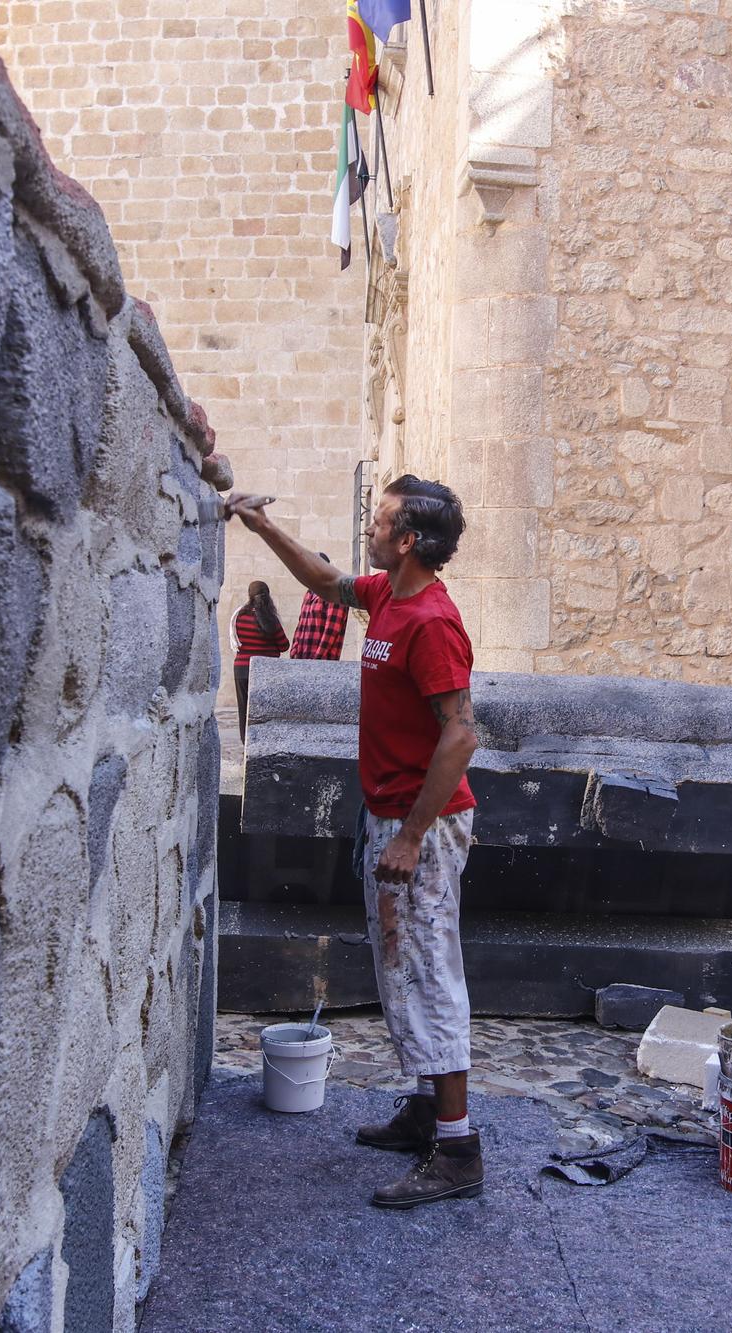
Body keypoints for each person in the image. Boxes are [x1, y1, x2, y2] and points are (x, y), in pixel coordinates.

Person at [222, 476, 482, 1210]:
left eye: (380, 519)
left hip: (419, 829)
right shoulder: (386, 597)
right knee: (404, 971)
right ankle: (430, 1111)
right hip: (392, 818)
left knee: (430, 975)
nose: (369, 527)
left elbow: (462, 733)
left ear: (407, 540)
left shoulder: (431, 620)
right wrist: (262, 528)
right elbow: (326, 579)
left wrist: (410, 834)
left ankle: (459, 1148)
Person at [231, 580, 290, 740]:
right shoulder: (271, 619)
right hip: (265, 671)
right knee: (264, 710)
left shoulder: (239, 616)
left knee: (244, 710)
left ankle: (246, 744)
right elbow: (284, 645)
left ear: (249, 595)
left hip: (242, 668)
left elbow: (236, 642)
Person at [290, 553, 350, 661]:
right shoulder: (309, 593)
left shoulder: (335, 592)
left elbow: (332, 629)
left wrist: (318, 657)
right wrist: (294, 650)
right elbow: (301, 624)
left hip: (323, 660)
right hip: (301, 658)